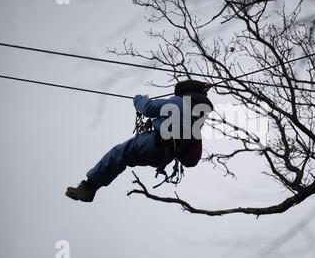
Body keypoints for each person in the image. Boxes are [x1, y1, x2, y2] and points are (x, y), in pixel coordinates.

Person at [65, 80, 213, 202]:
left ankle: (88, 187)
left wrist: (139, 99)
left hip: (152, 144)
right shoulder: (197, 118)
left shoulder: (178, 102)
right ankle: (91, 188)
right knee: (124, 159)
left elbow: (148, 108)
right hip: (163, 157)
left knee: (118, 154)